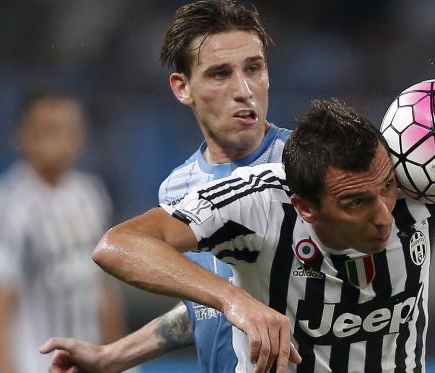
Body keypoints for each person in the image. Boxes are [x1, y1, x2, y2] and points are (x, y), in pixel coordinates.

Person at [89, 98, 435, 373]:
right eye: (357, 203)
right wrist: (233, 301)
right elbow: (118, 245)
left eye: (388, 190)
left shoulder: (408, 176)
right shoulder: (256, 203)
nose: (384, 215)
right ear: (305, 206)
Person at [39, 1, 289, 372]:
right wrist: (114, 356)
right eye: (220, 74)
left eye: (254, 68)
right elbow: (208, 308)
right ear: (182, 88)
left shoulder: (306, 169)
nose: (244, 90)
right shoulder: (177, 189)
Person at [0, 88, 129, 373]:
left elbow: (103, 288)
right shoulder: (6, 205)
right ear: (22, 136)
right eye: (47, 130)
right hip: (35, 364)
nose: (58, 140)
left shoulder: (90, 194)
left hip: (87, 362)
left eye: (67, 129)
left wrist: (121, 358)